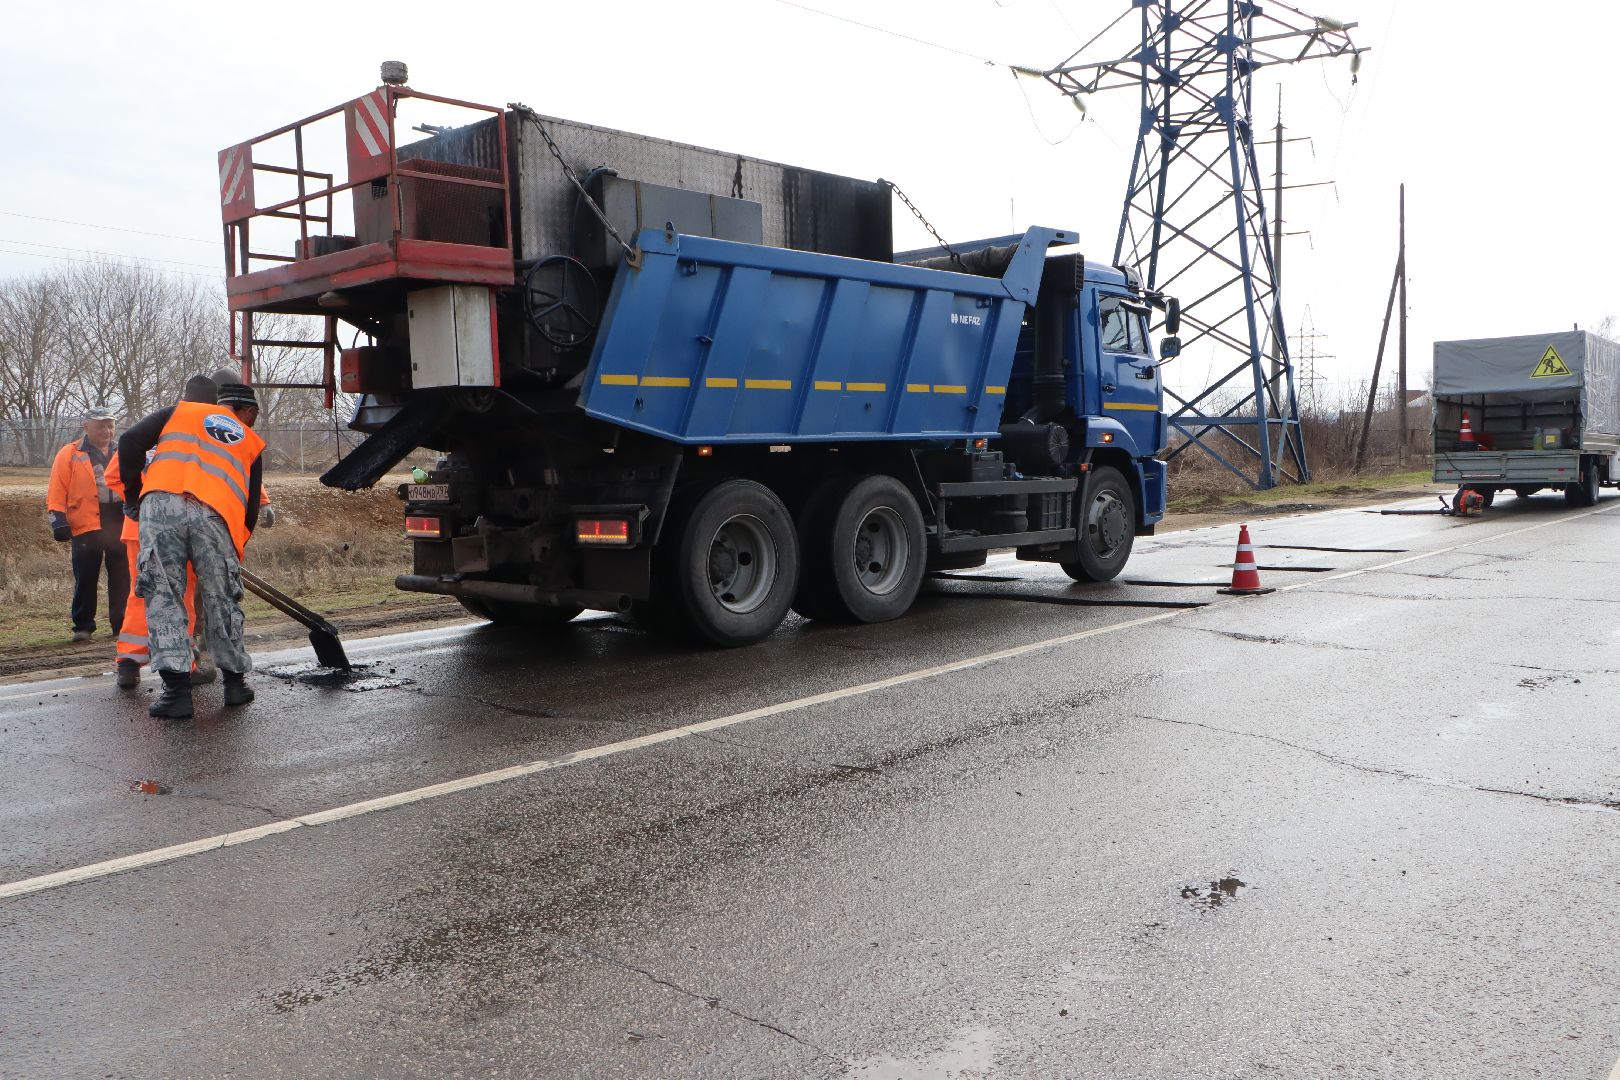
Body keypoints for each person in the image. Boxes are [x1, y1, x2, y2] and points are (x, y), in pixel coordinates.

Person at [121, 380, 266, 718]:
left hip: (160, 507)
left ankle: (176, 694)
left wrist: (133, 497)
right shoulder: (249, 440)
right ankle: (234, 686)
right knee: (221, 597)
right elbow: (251, 507)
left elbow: (128, 441)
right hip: (215, 514)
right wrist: (235, 547)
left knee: (164, 596)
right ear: (247, 412)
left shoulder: (180, 412)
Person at [106, 374, 219, 689]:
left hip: (139, 528)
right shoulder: (204, 435)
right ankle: (186, 666)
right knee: (179, 596)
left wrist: (137, 500)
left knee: (141, 593)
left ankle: (128, 663)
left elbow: (114, 473)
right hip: (180, 529)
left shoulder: (154, 431)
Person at [47, 405, 129, 642]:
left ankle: (121, 625)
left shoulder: (123, 451)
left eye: (110, 425)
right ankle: (83, 627)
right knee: (85, 576)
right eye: (101, 426)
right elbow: (57, 489)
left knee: (122, 576)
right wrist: (58, 520)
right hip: (86, 522)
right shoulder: (69, 453)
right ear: (86, 427)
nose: (107, 430)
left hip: (120, 521)